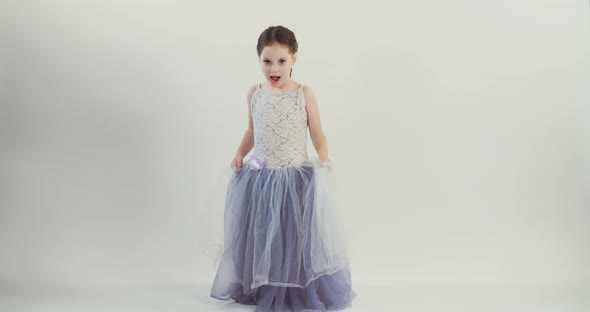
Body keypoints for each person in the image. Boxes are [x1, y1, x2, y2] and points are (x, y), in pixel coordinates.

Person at [210, 25, 356, 311]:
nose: (274, 68)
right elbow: (252, 130)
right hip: (261, 176)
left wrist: (324, 156)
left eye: (281, 61)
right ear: (259, 60)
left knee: (293, 235)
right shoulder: (255, 93)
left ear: (294, 59)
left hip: (294, 176)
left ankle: (296, 289)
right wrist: (240, 153)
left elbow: (317, 132)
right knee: (263, 233)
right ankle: (264, 285)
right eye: (267, 61)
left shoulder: (303, 93)